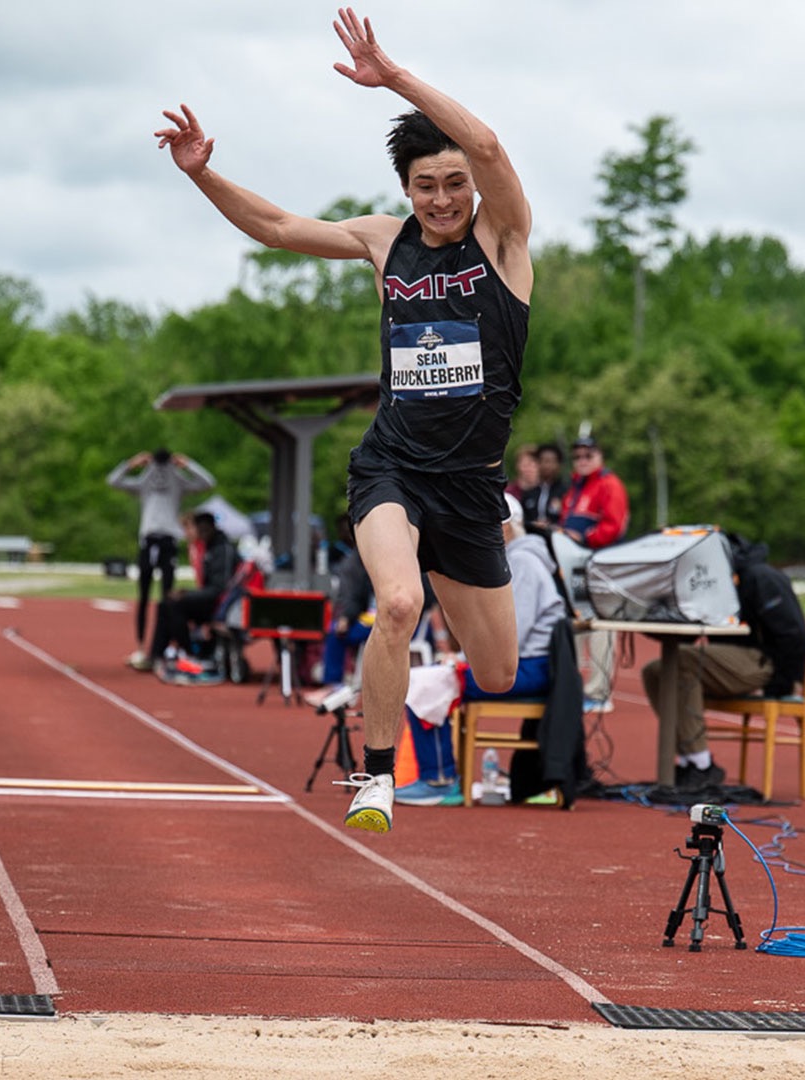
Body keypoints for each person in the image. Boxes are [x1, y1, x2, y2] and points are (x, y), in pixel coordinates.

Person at [157, 8, 533, 833]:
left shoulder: (503, 242)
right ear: (406, 190)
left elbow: (494, 148)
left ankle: (437, 604)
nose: (440, 199)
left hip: (472, 488)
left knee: (500, 672)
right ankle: (375, 776)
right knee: (395, 603)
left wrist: (392, 76)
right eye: (425, 186)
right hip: (392, 468)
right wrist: (200, 174)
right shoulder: (382, 241)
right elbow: (280, 228)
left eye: (452, 183)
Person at [398, 494, 567, 806]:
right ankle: (439, 776)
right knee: (427, 680)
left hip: (528, 667)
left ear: (504, 528)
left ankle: (440, 780)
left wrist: (462, 660)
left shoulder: (523, 563)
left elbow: (513, 633)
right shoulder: (513, 559)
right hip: (524, 662)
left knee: (424, 684)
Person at [640, 534, 805, 791]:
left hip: (763, 663)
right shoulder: (712, 582)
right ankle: (688, 760)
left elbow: (796, 635)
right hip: (730, 659)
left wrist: (782, 683)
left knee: (684, 662)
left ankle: (702, 766)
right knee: (655, 671)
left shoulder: (762, 578)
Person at [108, 448, 217, 670]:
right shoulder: (144, 482)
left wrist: (187, 464)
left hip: (168, 540)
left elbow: (208, 482)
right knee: (144, 595)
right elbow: (113, 481)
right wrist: (132, 463)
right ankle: (141, 648)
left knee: (168, 599)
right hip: (148, 540)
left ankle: (162, 648)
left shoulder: (178, 481)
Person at [559, 433, 629, 709]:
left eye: (588, 455)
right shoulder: (575, 489)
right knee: (578, 622)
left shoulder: (609, 485)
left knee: (601, 625)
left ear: (600, 456)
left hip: (601, 565)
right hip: (577, 567)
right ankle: (573, 686)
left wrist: (586, 539)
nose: (582, 460)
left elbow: (613, 526)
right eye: (577, 456)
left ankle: (599, 692)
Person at [144, 512, 238, 679]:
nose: (186, 533)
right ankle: (157, 655)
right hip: (211, 598)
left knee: (176, 605)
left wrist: (188, 594)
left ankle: (188, 653)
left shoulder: (222, 549)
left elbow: (219, 588)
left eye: (189, 528)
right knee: (166, 603)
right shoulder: (207, 547)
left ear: (202, 529)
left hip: (221, 604)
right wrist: (188, 592)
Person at [319, 513, 373, 688]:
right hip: (372, 617)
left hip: (391, 620)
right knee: (336, 629)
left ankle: (334, 683)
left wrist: (346, 617)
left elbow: (353, 595)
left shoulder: (355, 561)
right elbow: (355, 596)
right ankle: (336, 682)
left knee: (336, 633)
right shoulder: (356, 559)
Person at [521, 442, 566, 532]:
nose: (547, 465)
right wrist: (533, 524)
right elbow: (521, 520)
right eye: (543, 461)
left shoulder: (567, 491)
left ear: (559, 464)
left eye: (552, 461)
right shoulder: (529, 494)